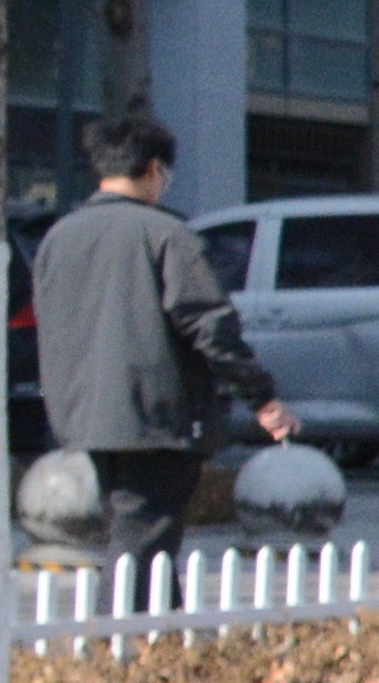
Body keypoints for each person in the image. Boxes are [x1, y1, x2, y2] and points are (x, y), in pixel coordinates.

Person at [29, 112, 291, 583]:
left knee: (138, 532)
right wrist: (263, 399)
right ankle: (121, 643)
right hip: (156, 416)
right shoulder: (166, 235)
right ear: (152, 170)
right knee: (143, 546)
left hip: (83, 415)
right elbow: (210, 326)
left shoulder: (58, 238)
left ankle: (156, 641)